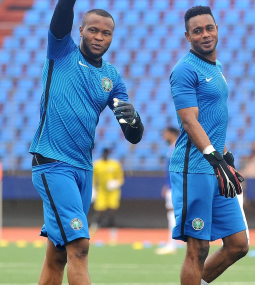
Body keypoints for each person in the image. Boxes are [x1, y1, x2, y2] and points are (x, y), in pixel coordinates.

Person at [29, 1, 144, 284]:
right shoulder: (61, 51)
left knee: (57, 254)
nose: (98, 37)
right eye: (92, 30)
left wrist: (136, 120)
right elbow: (61, 15)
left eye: (106, 33)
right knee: (79, 247)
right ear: (80, 30)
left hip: (83, 169)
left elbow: (132, 135)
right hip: (53, 163)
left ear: (112, 37)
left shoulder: (112, 78)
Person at [169, 6, 249, 285]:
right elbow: (190, 122)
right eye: (197, 31)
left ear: (217, 29)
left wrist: (224, 156)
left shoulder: (217, 67)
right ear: (187, 36)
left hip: (217, 167)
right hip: (195, 168)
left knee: (238, 245)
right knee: (198, 248)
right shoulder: (184, 70)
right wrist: (215, 158)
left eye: (209, 28)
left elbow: (213, 118)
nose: (205, 34)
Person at [91, 148, 124, 244]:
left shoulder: (115, 164)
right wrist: (93, 190)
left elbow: (120, 178)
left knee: (112, 213)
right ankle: (92, 232)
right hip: (102, 192)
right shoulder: (97, 165)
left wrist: (116, 183)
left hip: (113, 192)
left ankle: (113, 236)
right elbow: (93, 178)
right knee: (99, 212)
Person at [156, 127, 180, 255]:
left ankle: (172, 244)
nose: (164, 137)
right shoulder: (172, 148)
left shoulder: (177, 147)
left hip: (176, 187)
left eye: (165, 134)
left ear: (171, 134)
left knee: (172, 213)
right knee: (174, 214)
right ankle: (173, 243)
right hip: (172, 186)